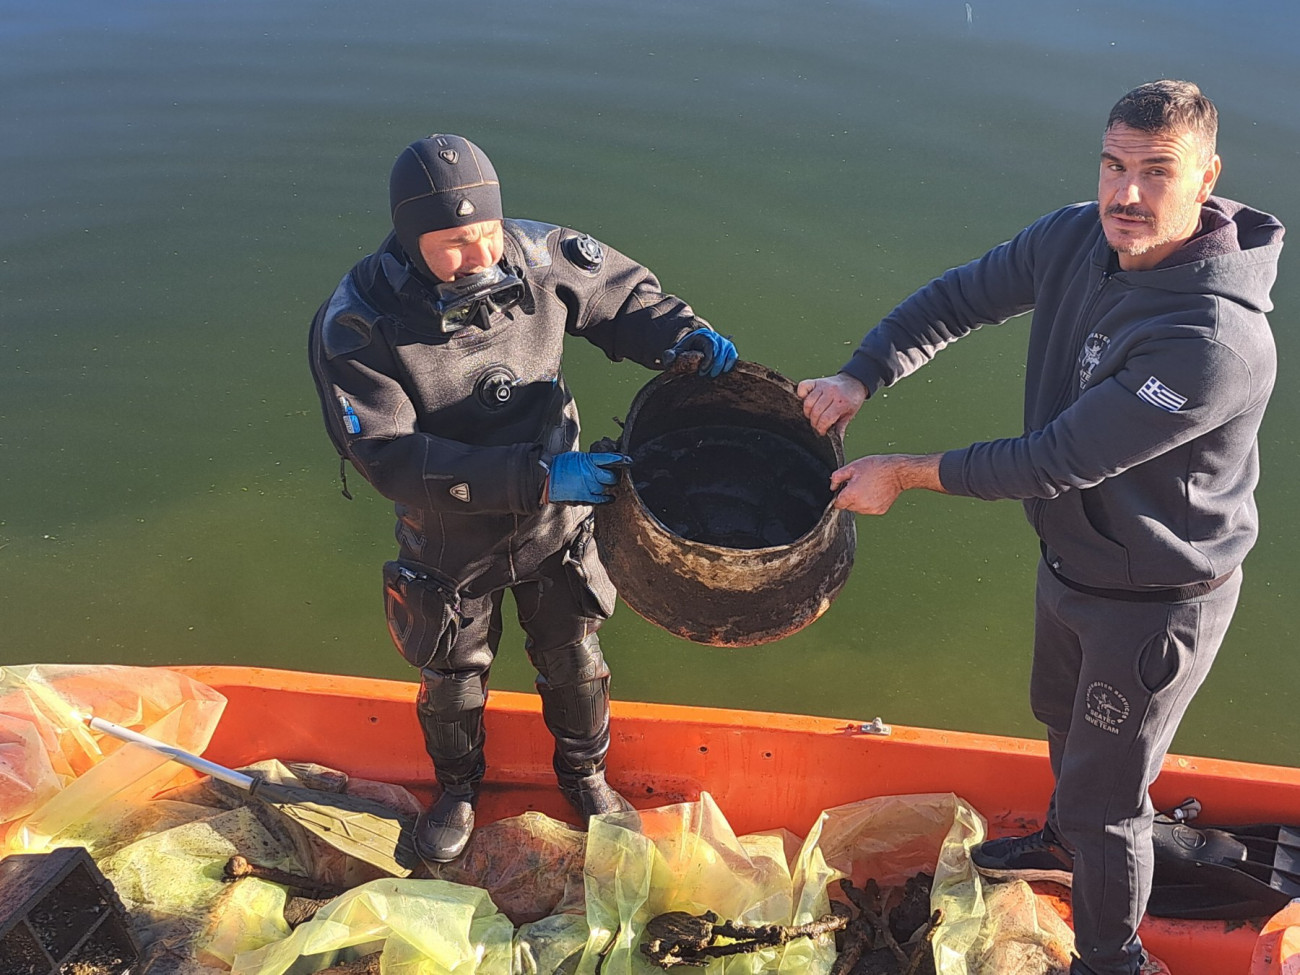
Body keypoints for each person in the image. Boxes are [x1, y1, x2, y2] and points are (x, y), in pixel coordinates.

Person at [798, 81, 1283, 975]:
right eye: (1113, 164)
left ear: (1207, 177)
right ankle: (1062, 841)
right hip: (1072, 561)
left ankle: (1112, 956)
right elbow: (960, 298)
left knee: (1110, 800)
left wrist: (903, 472)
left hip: (1155, 599)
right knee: (1057, 717)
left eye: (1155, 173)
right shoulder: (1075, 235)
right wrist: (863, 374)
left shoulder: (1213, 339)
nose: (1125, 194)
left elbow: (1056, 458)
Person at [308, 133, 737, 866]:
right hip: (450, 531)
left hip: (557, 517)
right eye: (450, 245)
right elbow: (390, 456)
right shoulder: (358, 324)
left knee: (573, 655)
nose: (476, 257)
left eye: (484, 235)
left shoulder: (539, 256)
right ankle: (457, 789)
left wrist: (681, 335)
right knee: (452, 675)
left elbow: (620, 295)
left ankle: (586, 775)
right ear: (411, 240)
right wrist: (537, 475)